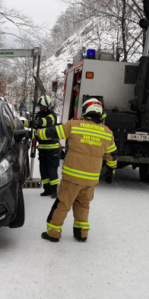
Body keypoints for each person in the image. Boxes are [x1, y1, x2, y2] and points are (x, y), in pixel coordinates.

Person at [35, 98, 117, 243]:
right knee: (83, 205)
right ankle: (82, 234)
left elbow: (53, 132)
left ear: (86, 110)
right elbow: (112, 155)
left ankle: (53, 233)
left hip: (72, 178)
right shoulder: (107, 133)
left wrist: (37, 133)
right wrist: (112, 171)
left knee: (62, 204)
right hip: (90, 180)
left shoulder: (75, 125)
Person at [23, 95, 60, 198]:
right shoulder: (38, 115)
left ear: (49, 106)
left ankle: (54, 191)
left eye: (44, 108)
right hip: (42, 148)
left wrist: (37, 122)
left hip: (52, 149)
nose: (42, 109)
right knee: (43, 170)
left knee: (52, 171)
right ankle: (47, 189)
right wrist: (23, 123)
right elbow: (33, 124)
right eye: (41, 108)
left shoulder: (53, 116)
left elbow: (46, 122)